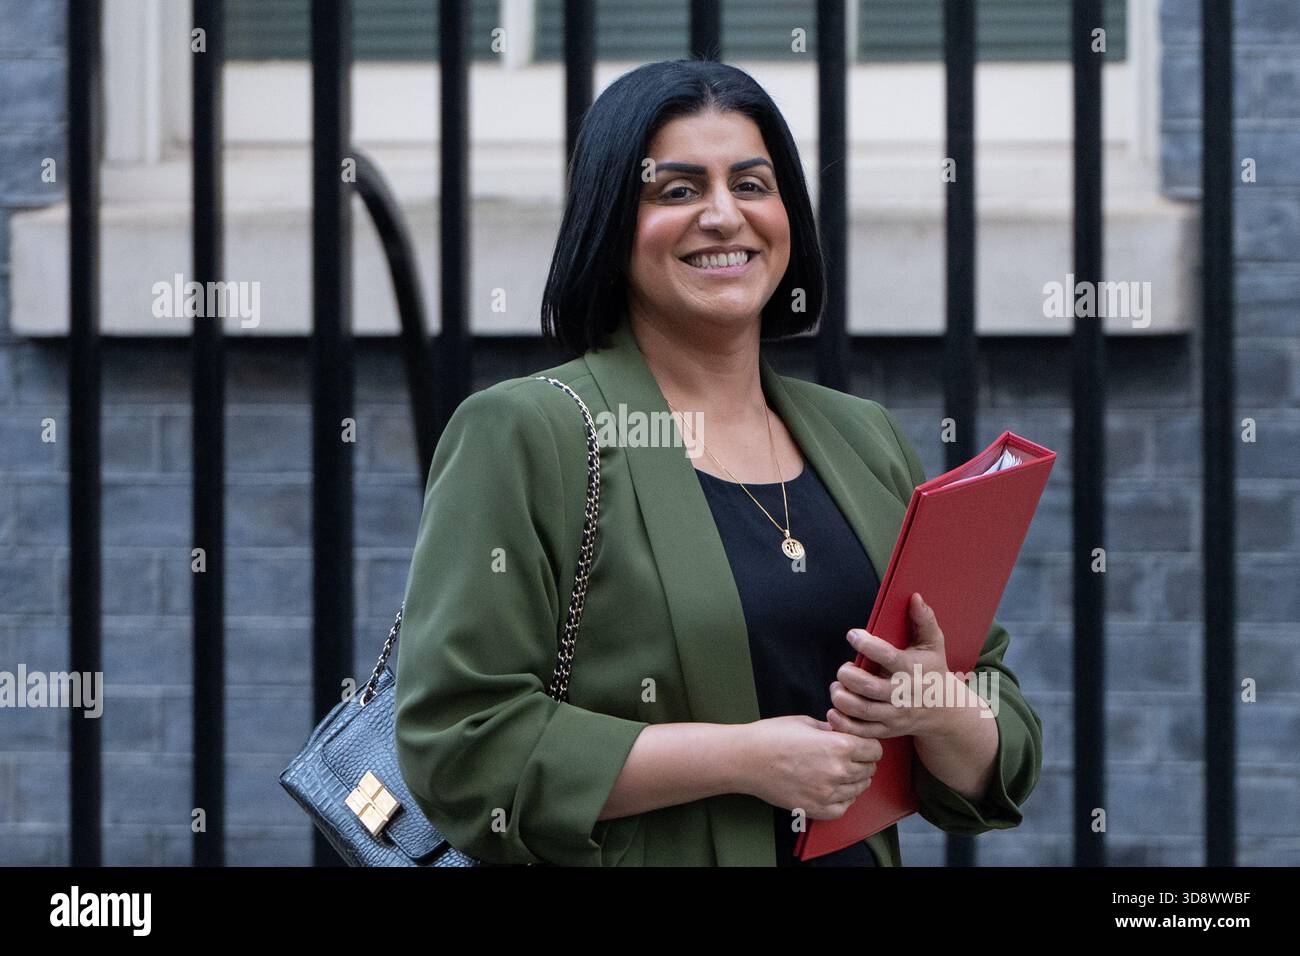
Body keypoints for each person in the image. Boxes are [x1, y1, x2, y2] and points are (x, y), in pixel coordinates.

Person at [394, 58, 1042, 866]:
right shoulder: (528, 434)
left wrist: (938, 708)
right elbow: (459, 746)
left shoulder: (861, 436)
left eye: (752, 184)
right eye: (676, 190)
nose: (723, 216)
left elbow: (999, 727)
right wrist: (745, 759)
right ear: (610, 222)